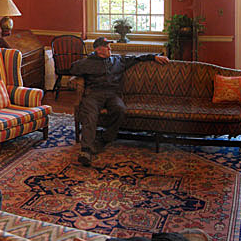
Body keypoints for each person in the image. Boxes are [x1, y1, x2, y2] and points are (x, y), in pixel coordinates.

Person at [70, 37, 172, 166]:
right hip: (94, 94)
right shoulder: (87, 62)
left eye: (109, 46)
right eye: (106, 46)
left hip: (113, 94)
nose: (110, 48)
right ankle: (86, 151)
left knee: (120, 109)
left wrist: (153, 57)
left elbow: (137, 58)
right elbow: (73, 69)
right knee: (90, 114)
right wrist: (81, 76)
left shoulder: (118, 60)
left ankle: (104, 138)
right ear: (98, 50)